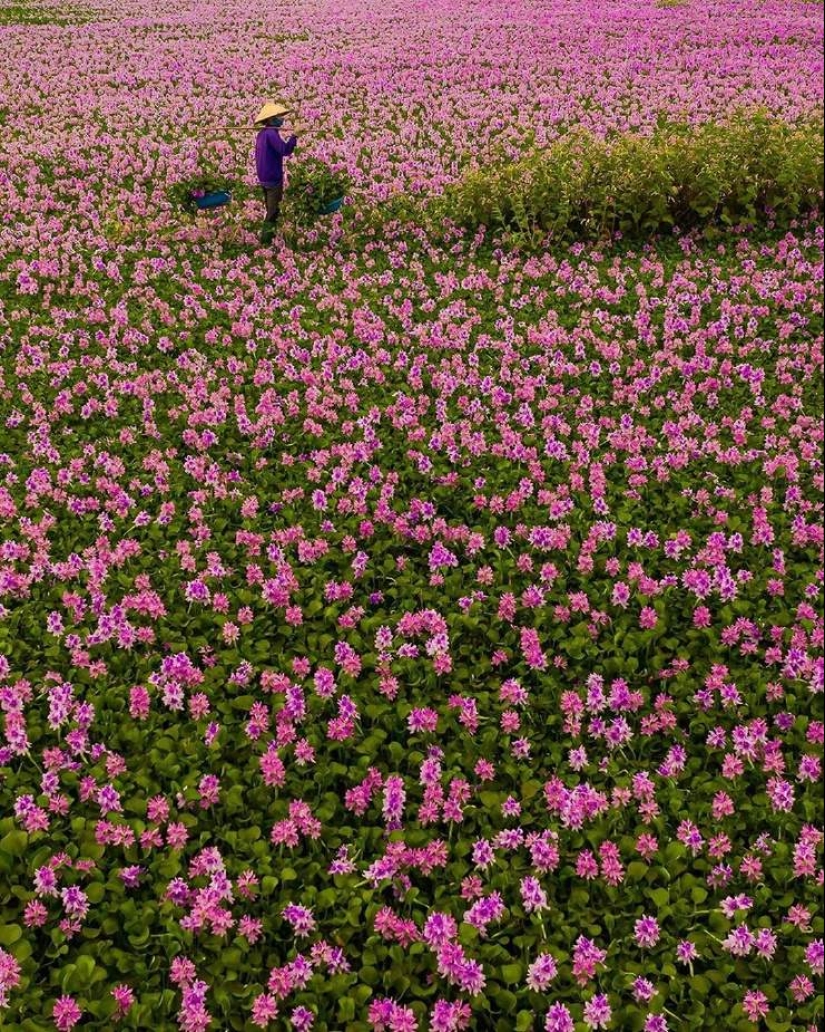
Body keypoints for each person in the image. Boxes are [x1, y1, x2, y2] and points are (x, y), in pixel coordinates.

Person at [253, 103, 298, 244]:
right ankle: (265, 241)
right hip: (273, 178)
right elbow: (284, 150)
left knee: (270, 208)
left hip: (264, 177)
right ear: (271, 119)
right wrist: (294, 136)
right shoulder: (271, 134)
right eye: (279, 117)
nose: (282, 119)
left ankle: (270, 236)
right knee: (273, 211)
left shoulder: (262, 134)